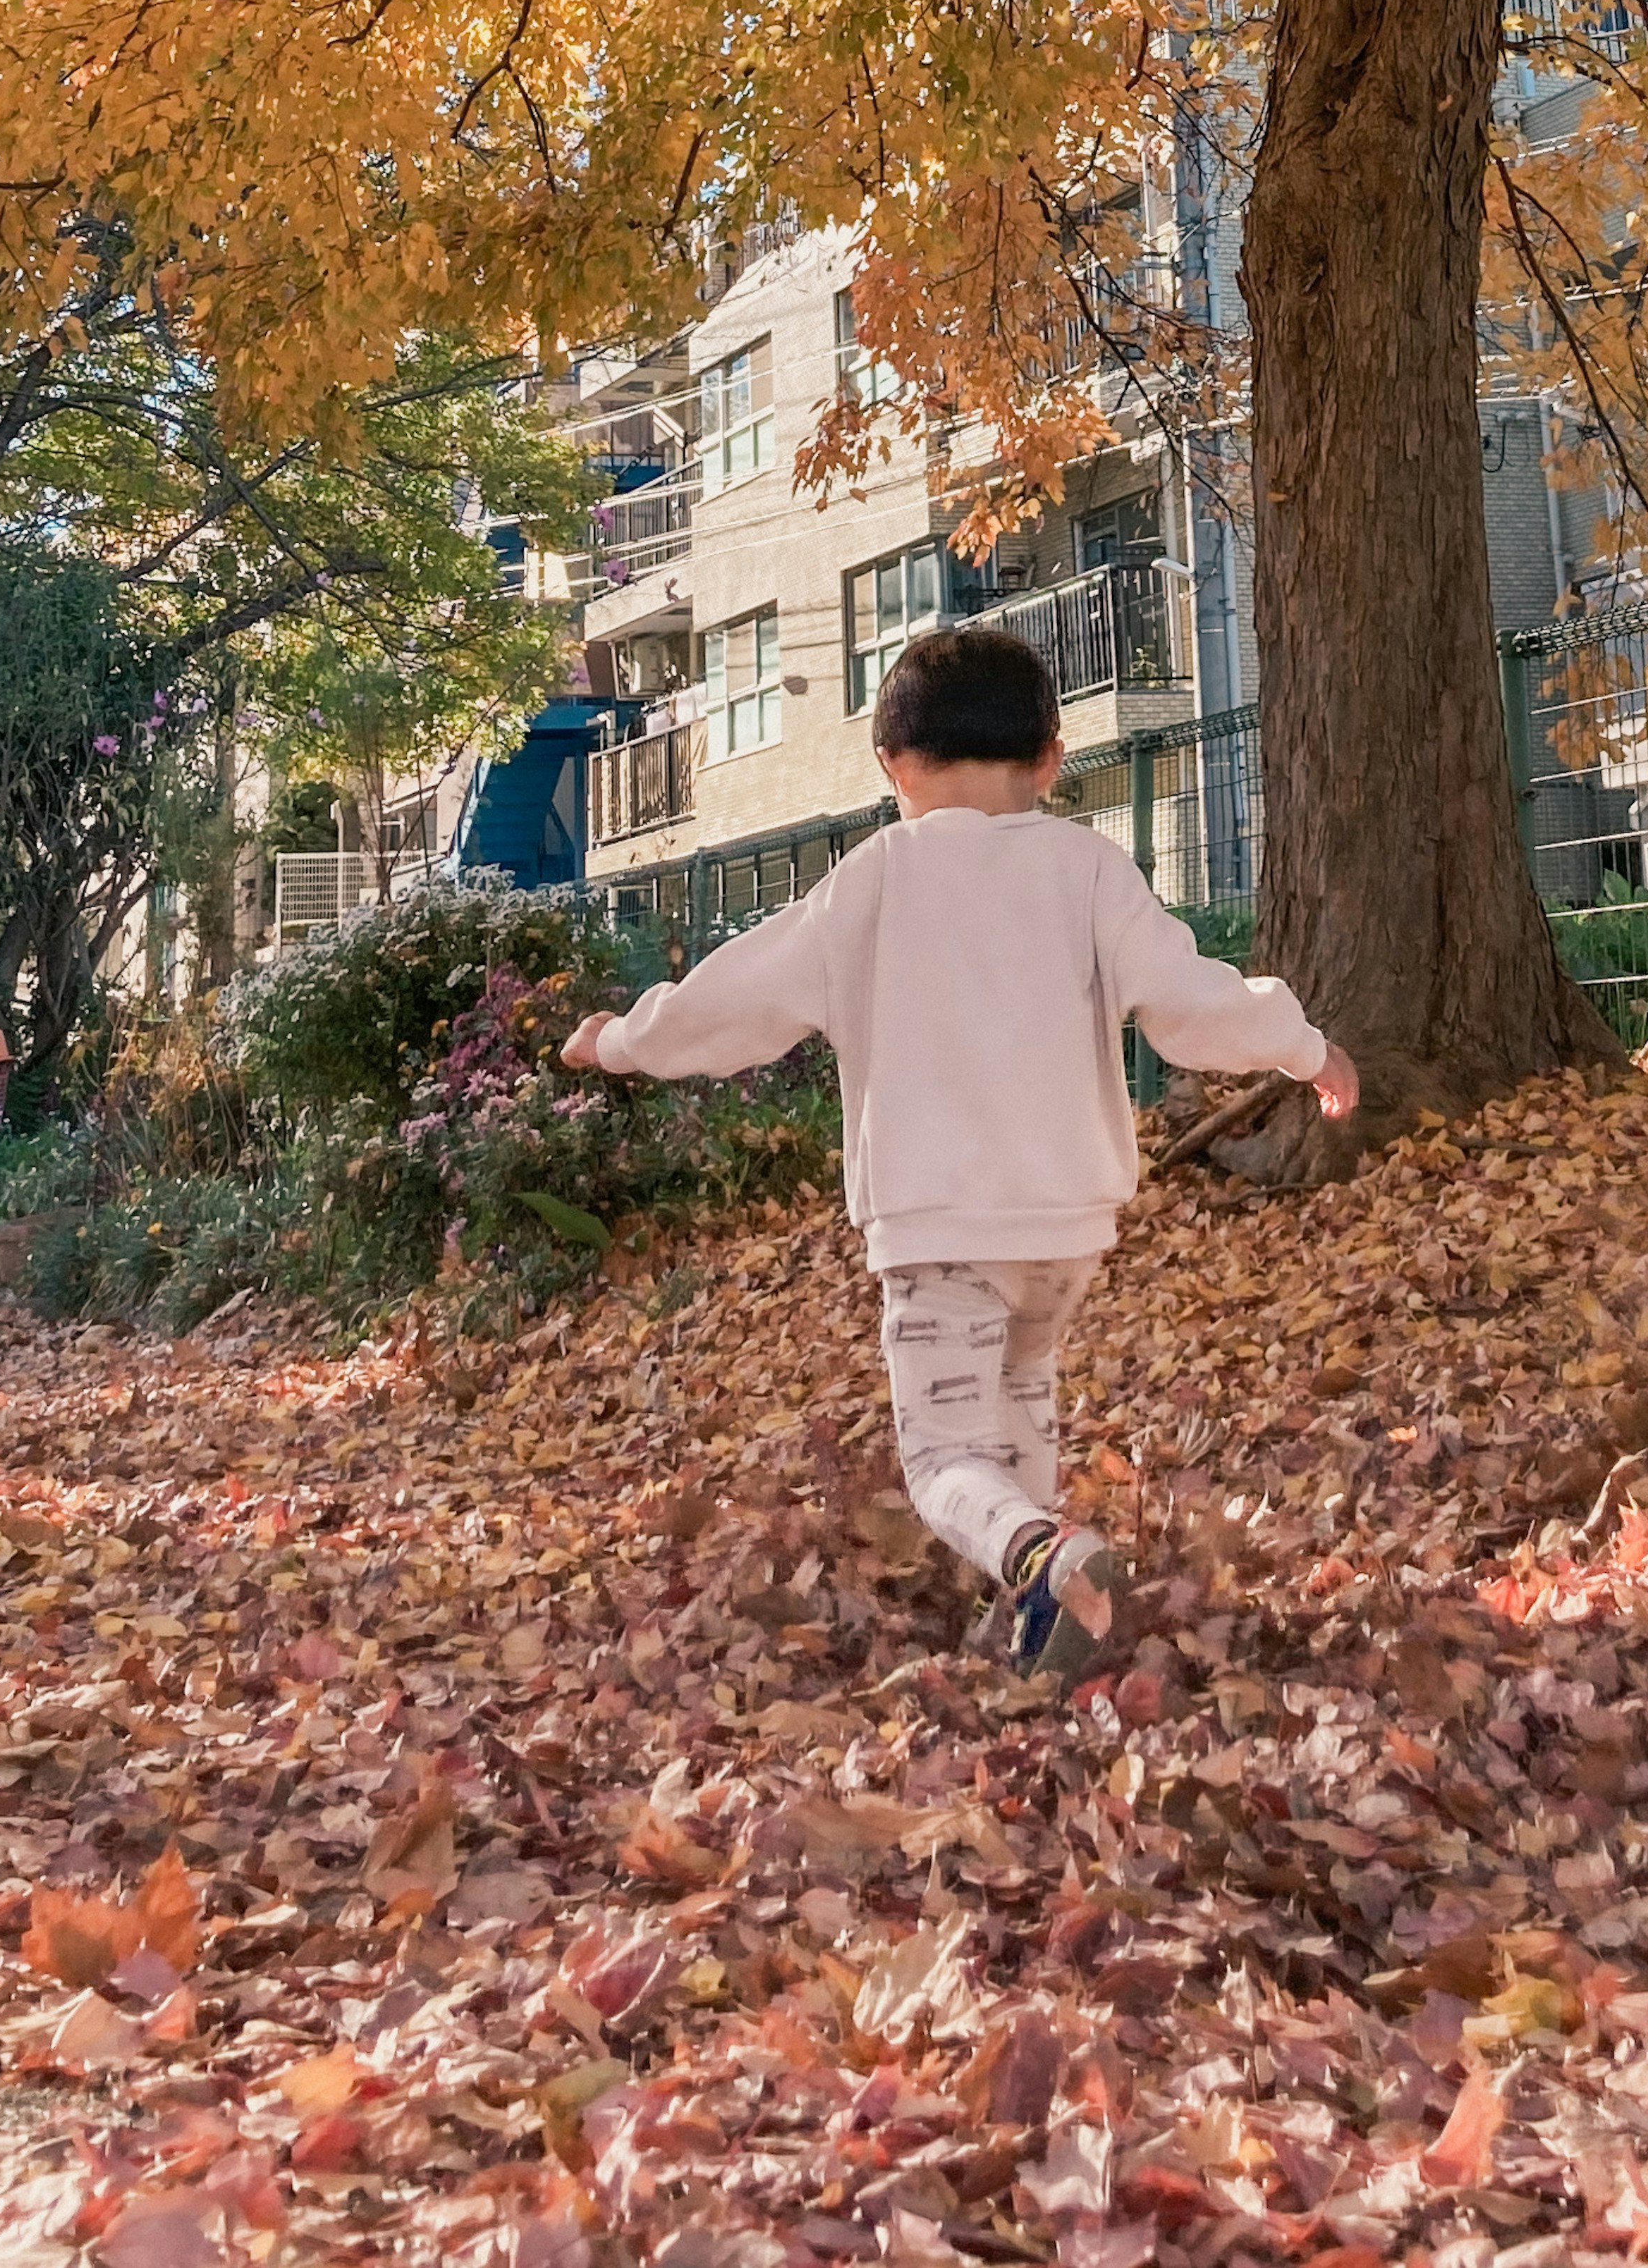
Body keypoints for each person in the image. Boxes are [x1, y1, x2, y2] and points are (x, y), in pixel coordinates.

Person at [563, 617, 1355, 1681]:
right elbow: (1189, 1001)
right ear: (1050, 760)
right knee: (1019, 1404)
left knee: (945, 1462)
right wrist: (1304, 1048)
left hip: (939, 1231)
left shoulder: (876, 877)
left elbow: (737, 999)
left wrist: (618, 1040)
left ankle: (1040, 1552)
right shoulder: (1088, 869)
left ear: (893, 764)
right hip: (1066, 1234)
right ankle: (1042, 1616)